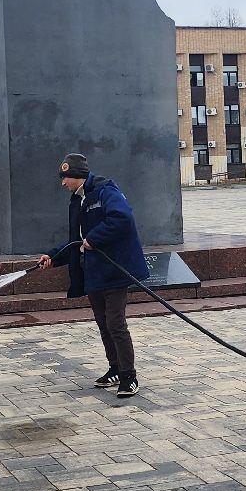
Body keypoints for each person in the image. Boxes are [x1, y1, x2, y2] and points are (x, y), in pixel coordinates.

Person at [38, 153, 150, 397]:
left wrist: (95, 238)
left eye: (65, 177)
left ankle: (129, 376)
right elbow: (75, 242)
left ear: (77, 176)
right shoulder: (76, 201)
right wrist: (53, 257)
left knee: (115, 323)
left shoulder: (105, 191)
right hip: (94, 272)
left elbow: (122, 219)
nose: (62, 183)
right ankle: (115, 368)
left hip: (115, 269)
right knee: (103, 324)